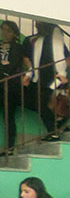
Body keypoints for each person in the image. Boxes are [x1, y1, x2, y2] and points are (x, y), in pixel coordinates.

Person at [24, 22, 70, 140]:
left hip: (53, 78)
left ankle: (54, 131)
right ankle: (59, 125)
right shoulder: (35, 40)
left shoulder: (55, 39)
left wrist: (62, 73)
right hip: (39, 78)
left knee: (42, 104)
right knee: (37, 104)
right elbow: (29, 59)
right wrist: (29, 73)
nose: (38, 26)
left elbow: (66, 58)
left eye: (40, 23)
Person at [0, 20, 31, 155]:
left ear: (14, 33)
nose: (5, 33)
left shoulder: (18, 48)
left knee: (8, 117)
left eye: (8, 31)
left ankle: (9, 147)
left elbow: (16, 65)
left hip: (11, 87)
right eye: (3, 30)